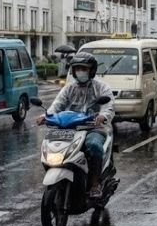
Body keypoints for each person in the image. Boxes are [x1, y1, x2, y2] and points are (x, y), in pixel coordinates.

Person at [37, 52, 115, 199]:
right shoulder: (69, 88)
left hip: (93, 128)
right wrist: (45, 116)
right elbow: (57, 105)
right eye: (77, 68)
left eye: (83, 68)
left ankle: (94, 184)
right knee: (51, 146)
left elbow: (109, 106)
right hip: (69, 128)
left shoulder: (101, 88)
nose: (80, 71)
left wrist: (103, 116)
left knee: (94, 146)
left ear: (91, 70)